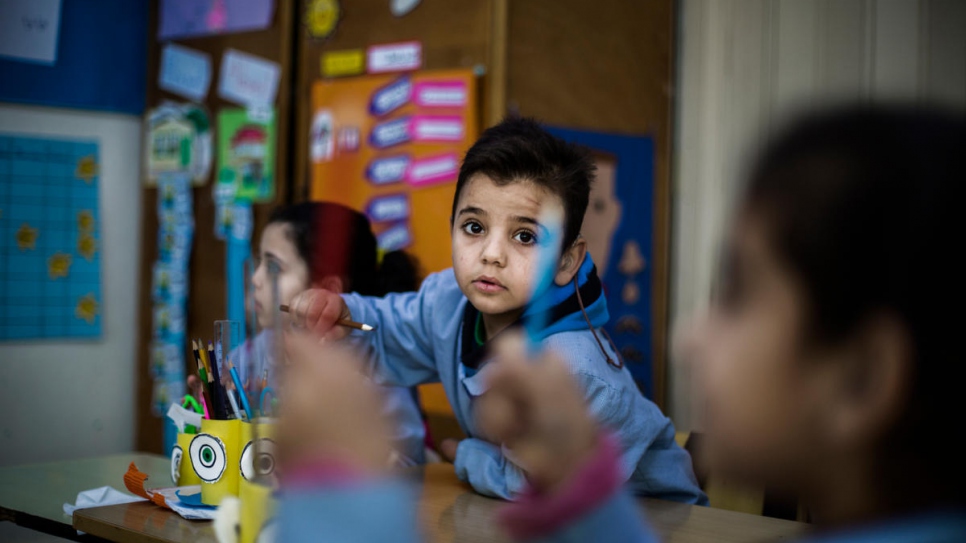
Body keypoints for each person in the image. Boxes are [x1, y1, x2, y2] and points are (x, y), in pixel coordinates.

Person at [286, 117, 705, 503]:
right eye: (474, 227)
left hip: (662, 522)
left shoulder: (575, 371)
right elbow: (390, 332)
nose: (491, 254)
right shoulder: (448, 300)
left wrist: (466, 454)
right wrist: (339, 313)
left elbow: (534, 488)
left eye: (524, 236)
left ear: (566, 260)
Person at [238, 201, 427, 466]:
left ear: (327, 289)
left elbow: (408, 468)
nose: (256, 279)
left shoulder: (375, 369)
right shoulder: (253, 352)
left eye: (274, 268)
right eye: (259, 263)